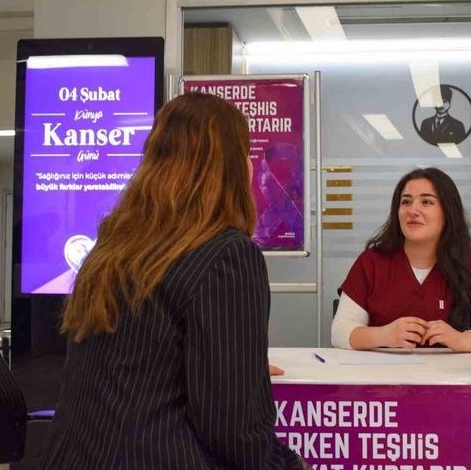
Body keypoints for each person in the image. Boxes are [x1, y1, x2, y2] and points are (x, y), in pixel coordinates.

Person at [41, 93, 306, 469]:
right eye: (246, 152)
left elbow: (136, 365)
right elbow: (233, 430)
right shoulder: (228, 253)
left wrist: (234, 368)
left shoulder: (113, 247)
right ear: (231, 167)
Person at [331, 167, 471, 351]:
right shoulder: (371, 263)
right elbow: (340, 332)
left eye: (427, 202)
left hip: (453, 377)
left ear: (448, 212)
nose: (412, 210)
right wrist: (383, 335)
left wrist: (465, 340)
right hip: (385, 376)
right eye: (406, 202)